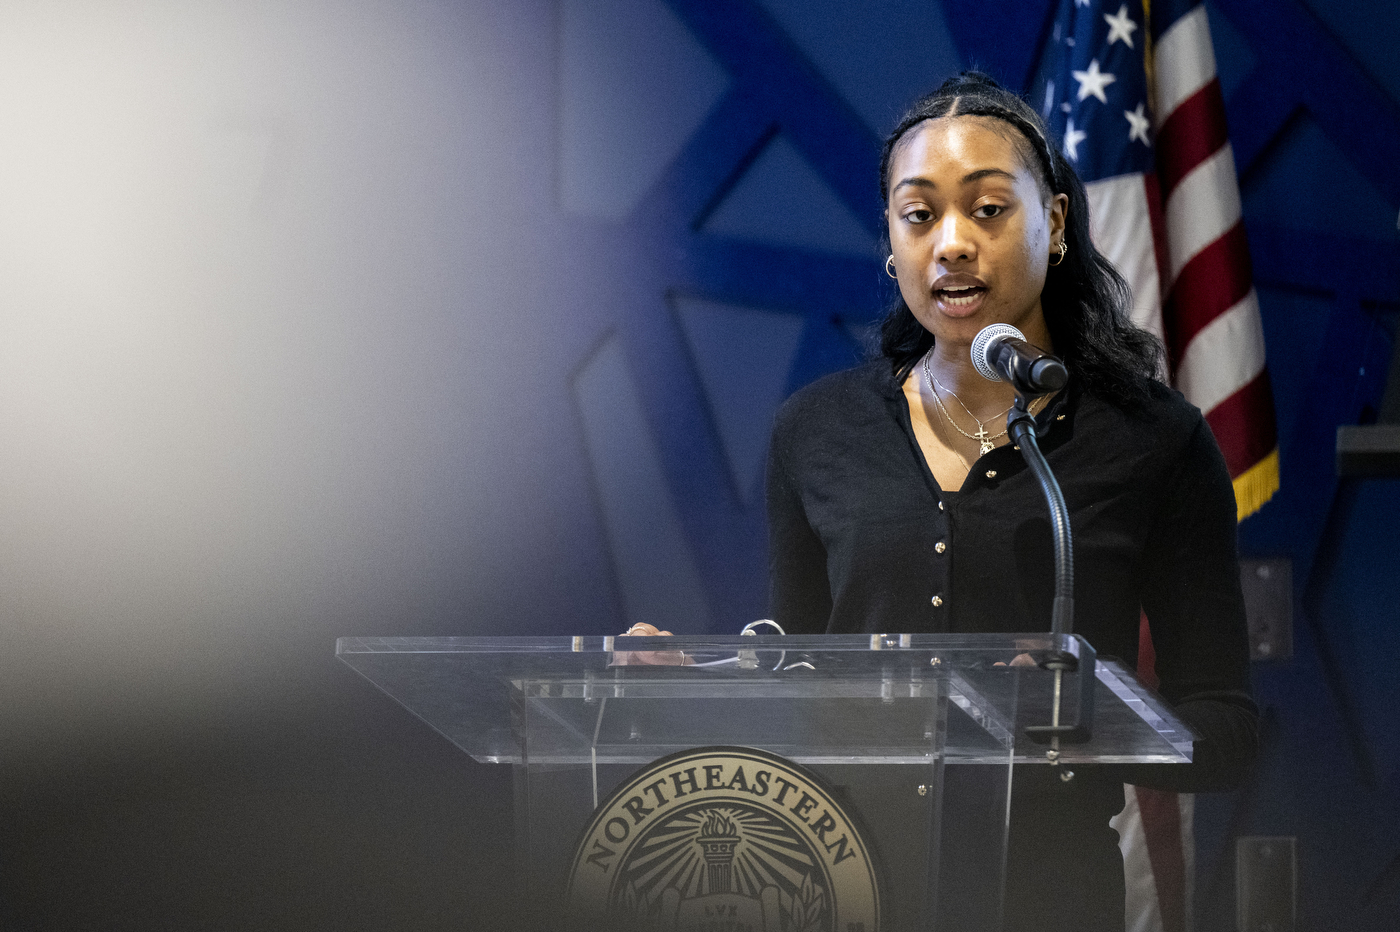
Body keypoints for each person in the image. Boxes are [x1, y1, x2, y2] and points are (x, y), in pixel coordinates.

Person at [764, 72, 1258, 930]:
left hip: (1053, 898)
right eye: (919, 216)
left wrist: (1098, 717)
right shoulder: (814, 431)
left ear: (1055, 222)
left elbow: (1228, 728)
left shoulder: (1154, 439)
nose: (951, 244)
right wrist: (688, 681)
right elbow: (794, 684)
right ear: (891, 240)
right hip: (847, 892)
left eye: (988, 210)